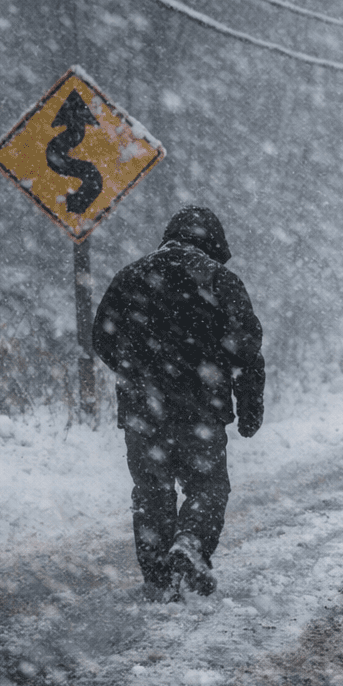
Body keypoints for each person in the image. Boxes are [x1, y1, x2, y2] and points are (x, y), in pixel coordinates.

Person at [92, 206, 264, 602]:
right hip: (201, 410)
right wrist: (249, 407)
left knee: (151, 492)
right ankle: (189, 544)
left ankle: (158, 579)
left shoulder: (132, 276)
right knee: (207, 487)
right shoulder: (221, 282)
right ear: (215, 245)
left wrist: (136, 371)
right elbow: (247, 353)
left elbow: (102, 337)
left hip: (142, 412)